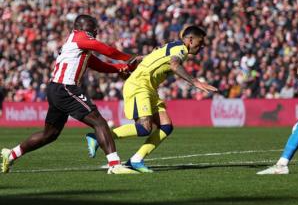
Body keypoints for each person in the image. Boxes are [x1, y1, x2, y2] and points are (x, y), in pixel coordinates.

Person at [1, 14, 140, 174]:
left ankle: (11, 154)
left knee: (50, 134)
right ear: (84, 28)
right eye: (93, 29)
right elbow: (105, 50)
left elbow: (99, 65)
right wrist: (130, 58)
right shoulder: (80, 36)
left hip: (56, 89)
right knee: (99, 121)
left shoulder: (77, 45)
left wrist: (123, 67)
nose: (95, 33)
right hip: (65, 88)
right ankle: (114, 165)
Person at [86, 25, 218, 173]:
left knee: (166, 126)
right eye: (200, 43)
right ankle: (98, 137)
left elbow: (154, 56)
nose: (201, 47)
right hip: (139, 85)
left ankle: (136, 160)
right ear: (191, 40)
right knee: (144, 128)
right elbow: (174, 65)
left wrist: (142, 58)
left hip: (149, 88)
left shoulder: (172, 46)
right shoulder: (181, 49)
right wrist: (195, 82)